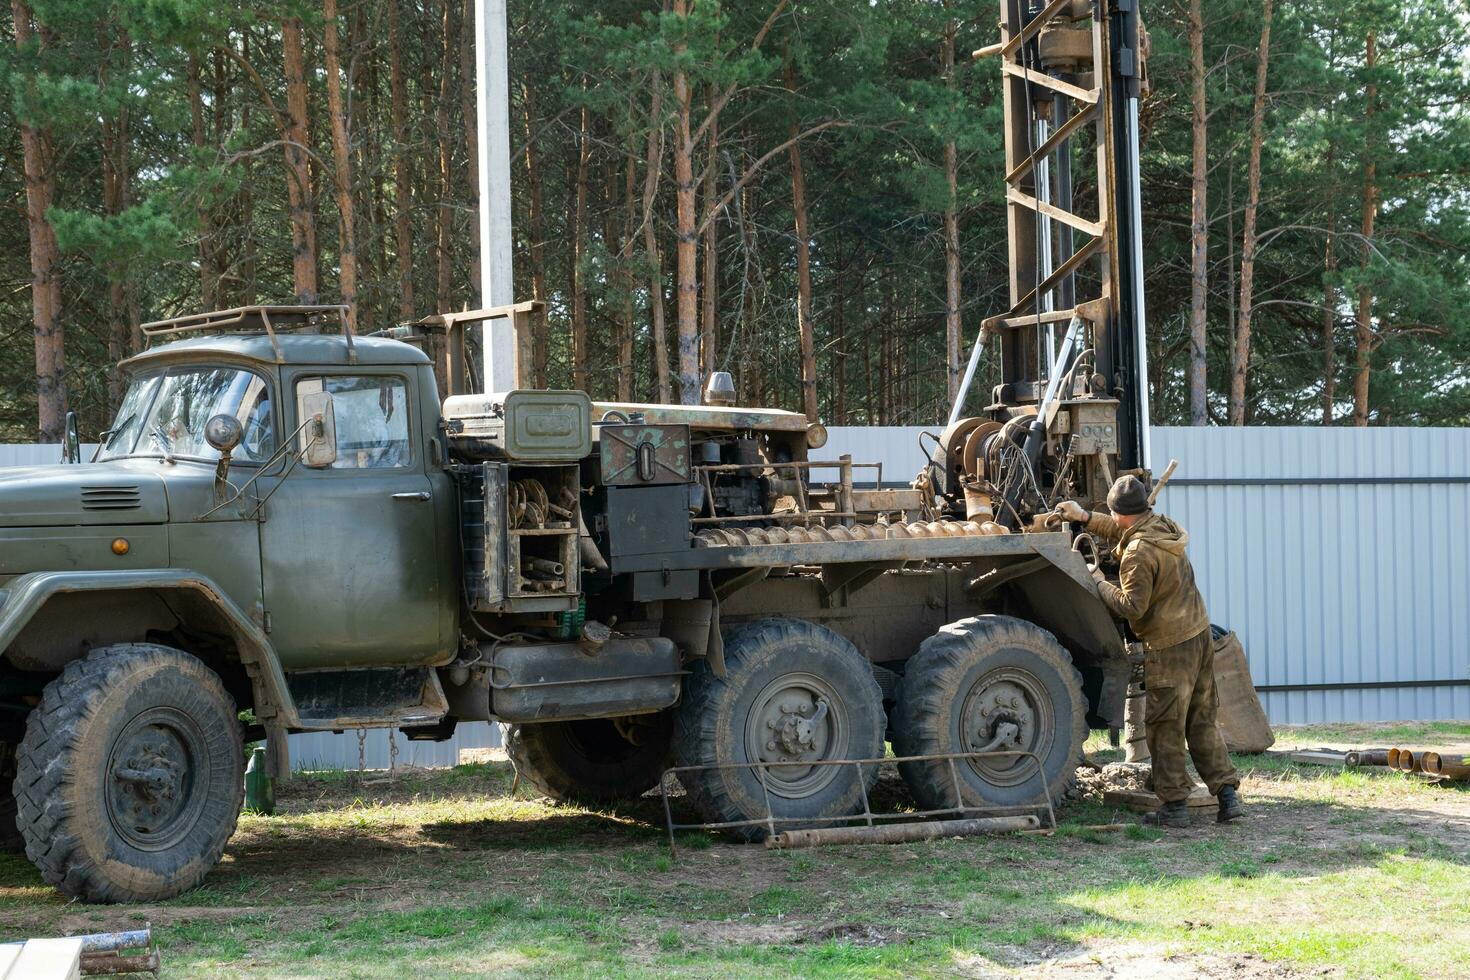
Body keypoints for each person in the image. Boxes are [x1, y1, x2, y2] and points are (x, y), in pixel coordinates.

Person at [1057, 475, 1244, 828]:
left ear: (1120, 514)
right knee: (1200, 719)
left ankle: (1174, 807)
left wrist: (1097, 581)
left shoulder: (1138, 553)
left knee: (1164, 726)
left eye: (1110, 516)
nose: (1111, 522)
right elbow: (1125, 533)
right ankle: (1227, 797)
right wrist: (1083, 517)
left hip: (1170, 645)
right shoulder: (1163, 527)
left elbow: (1131, 607)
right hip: (1198, 634)